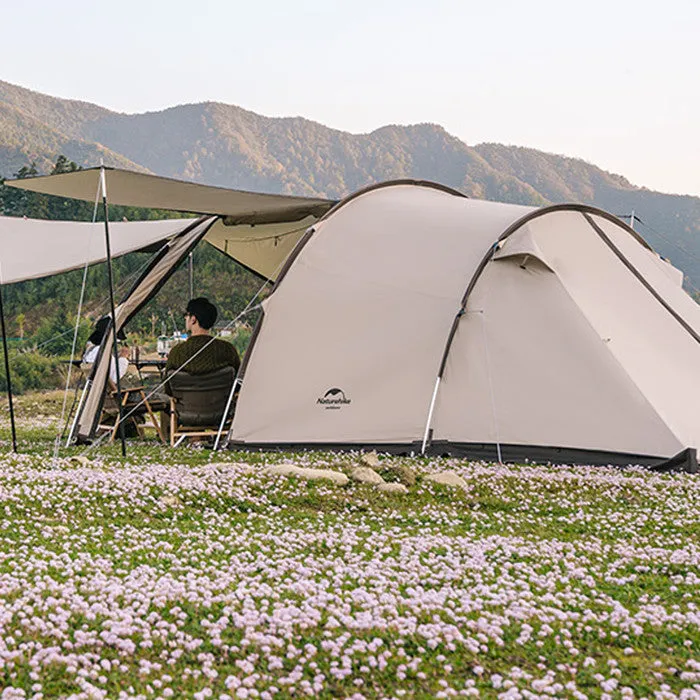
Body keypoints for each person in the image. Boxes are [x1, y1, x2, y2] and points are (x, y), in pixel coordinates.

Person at [165, 298, 240, 376]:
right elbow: (239, 381)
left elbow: (167, 385)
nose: (185, 318)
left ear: (193, 319)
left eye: (186, 315)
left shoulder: (176, 353)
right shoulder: (228, 351)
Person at [82, 316, 130, 384]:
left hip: (93, 388)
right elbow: (114, 378)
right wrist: (123, 358)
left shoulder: (92, 351)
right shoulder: (103, 353)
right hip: (104, 390)